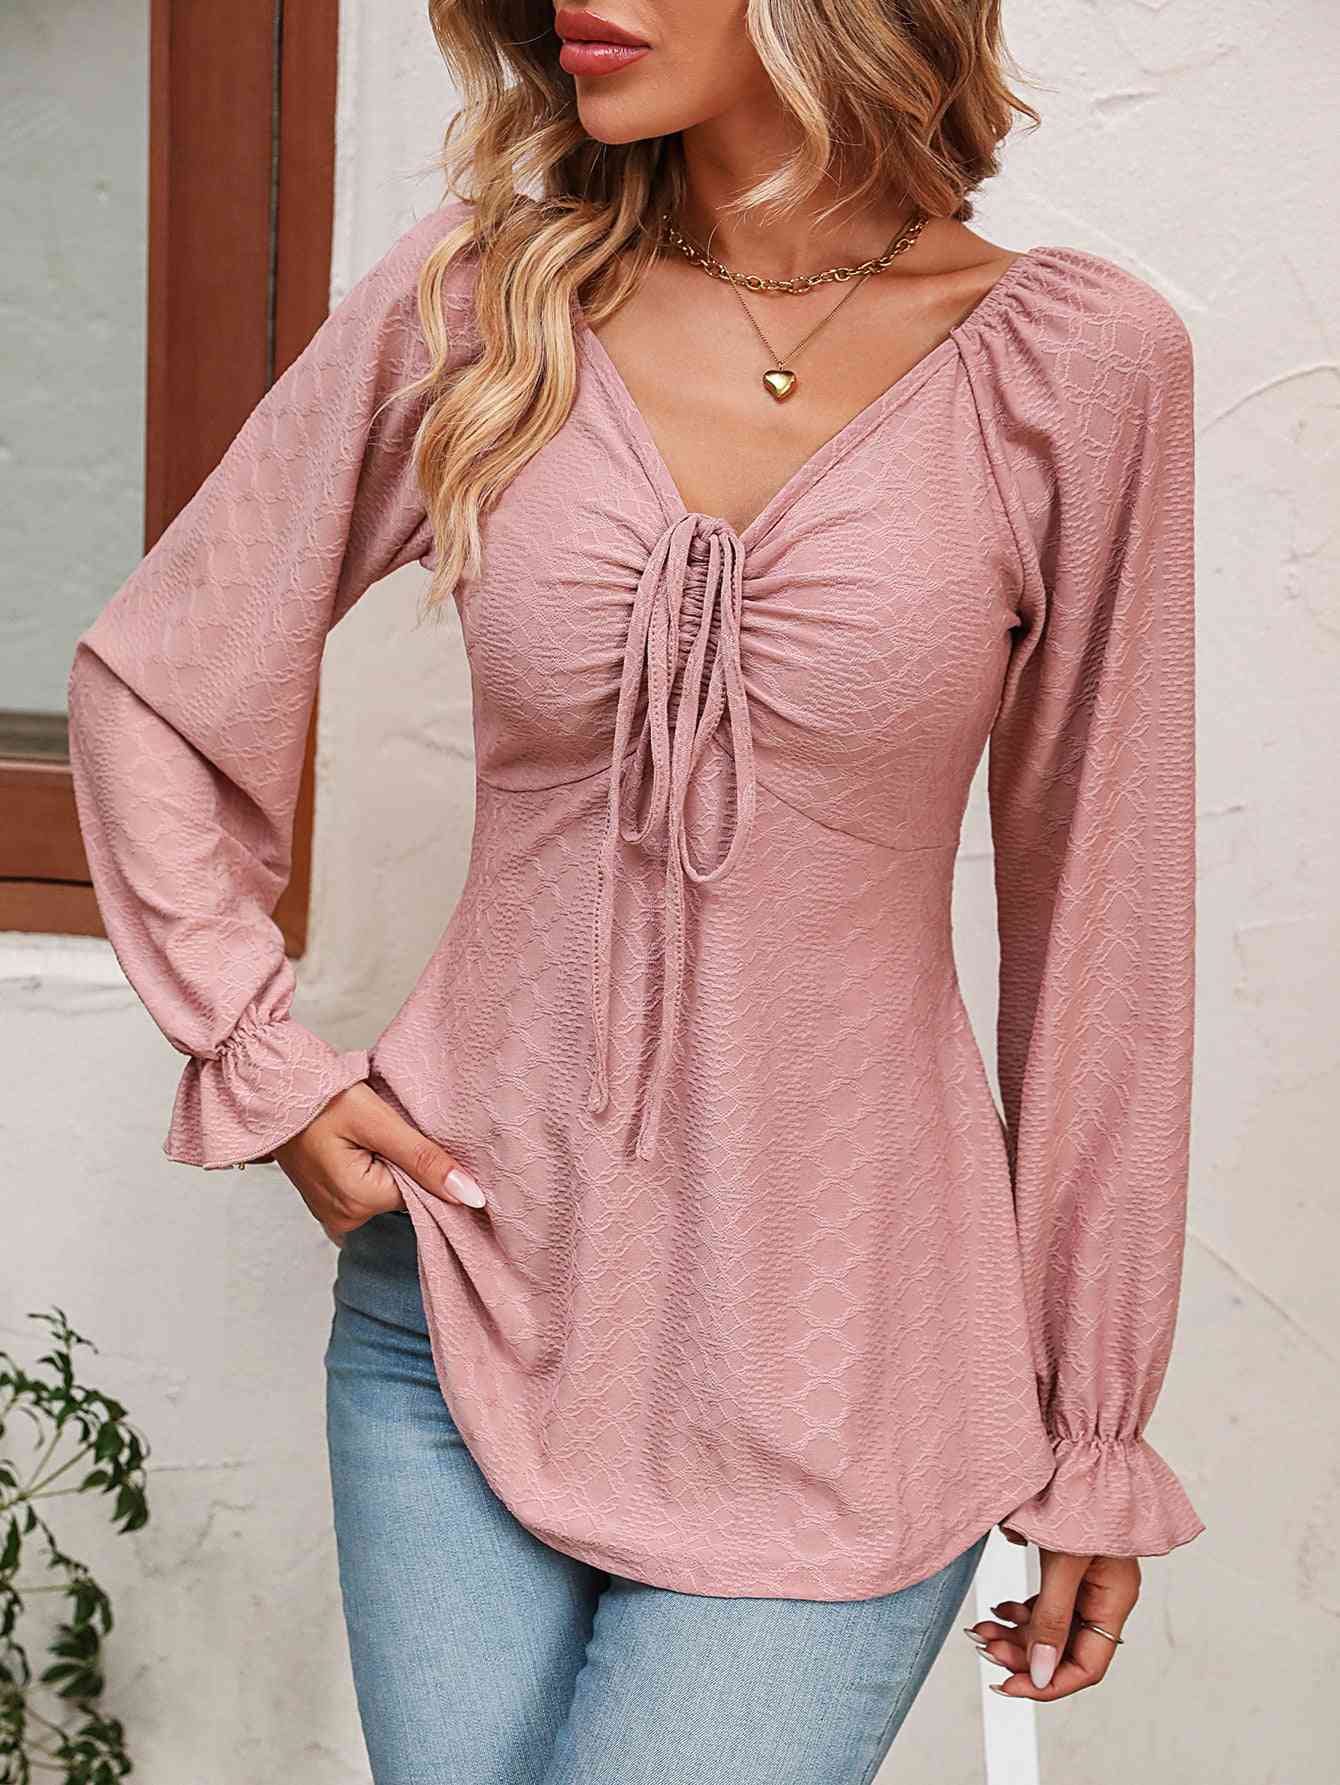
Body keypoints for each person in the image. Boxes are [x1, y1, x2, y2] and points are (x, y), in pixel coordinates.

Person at [66, 2, 1206, 1779]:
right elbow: (161, 675)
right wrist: (261, 1056)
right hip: (462, 1308)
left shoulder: (1076, 365)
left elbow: (1106, 932)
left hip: (848, 1364)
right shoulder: (484, 302)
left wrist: (1095, 1422)